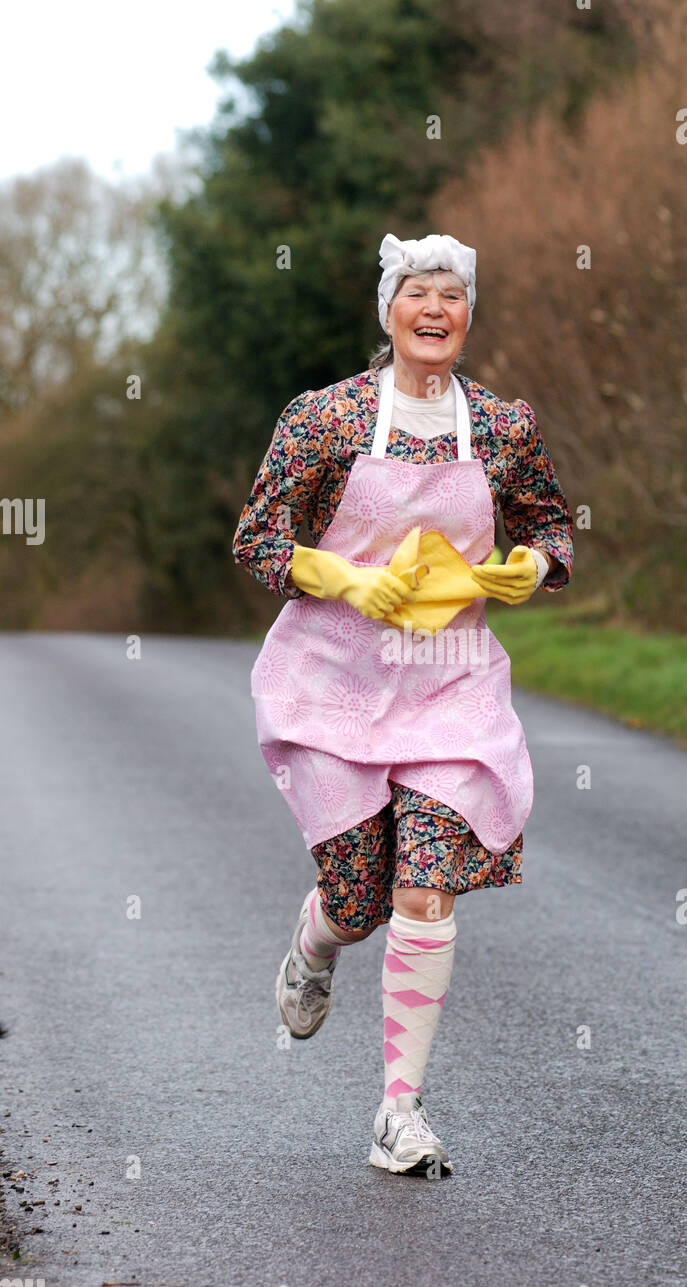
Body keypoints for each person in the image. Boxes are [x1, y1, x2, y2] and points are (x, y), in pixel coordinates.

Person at [232, 232, 573, 1175]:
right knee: (356, 893)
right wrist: (340, 576)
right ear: (389, 310)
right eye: (418, 292)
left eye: (453, 296)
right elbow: (258, 541)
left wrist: (528, 566)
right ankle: (314, 942)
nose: (436, 310)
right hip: (332, 680)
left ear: (468, 316)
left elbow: (550, 521)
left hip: (451, 682)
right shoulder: (327, 419)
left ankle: (399, 1113)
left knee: (424, 881)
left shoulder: (502, 428)